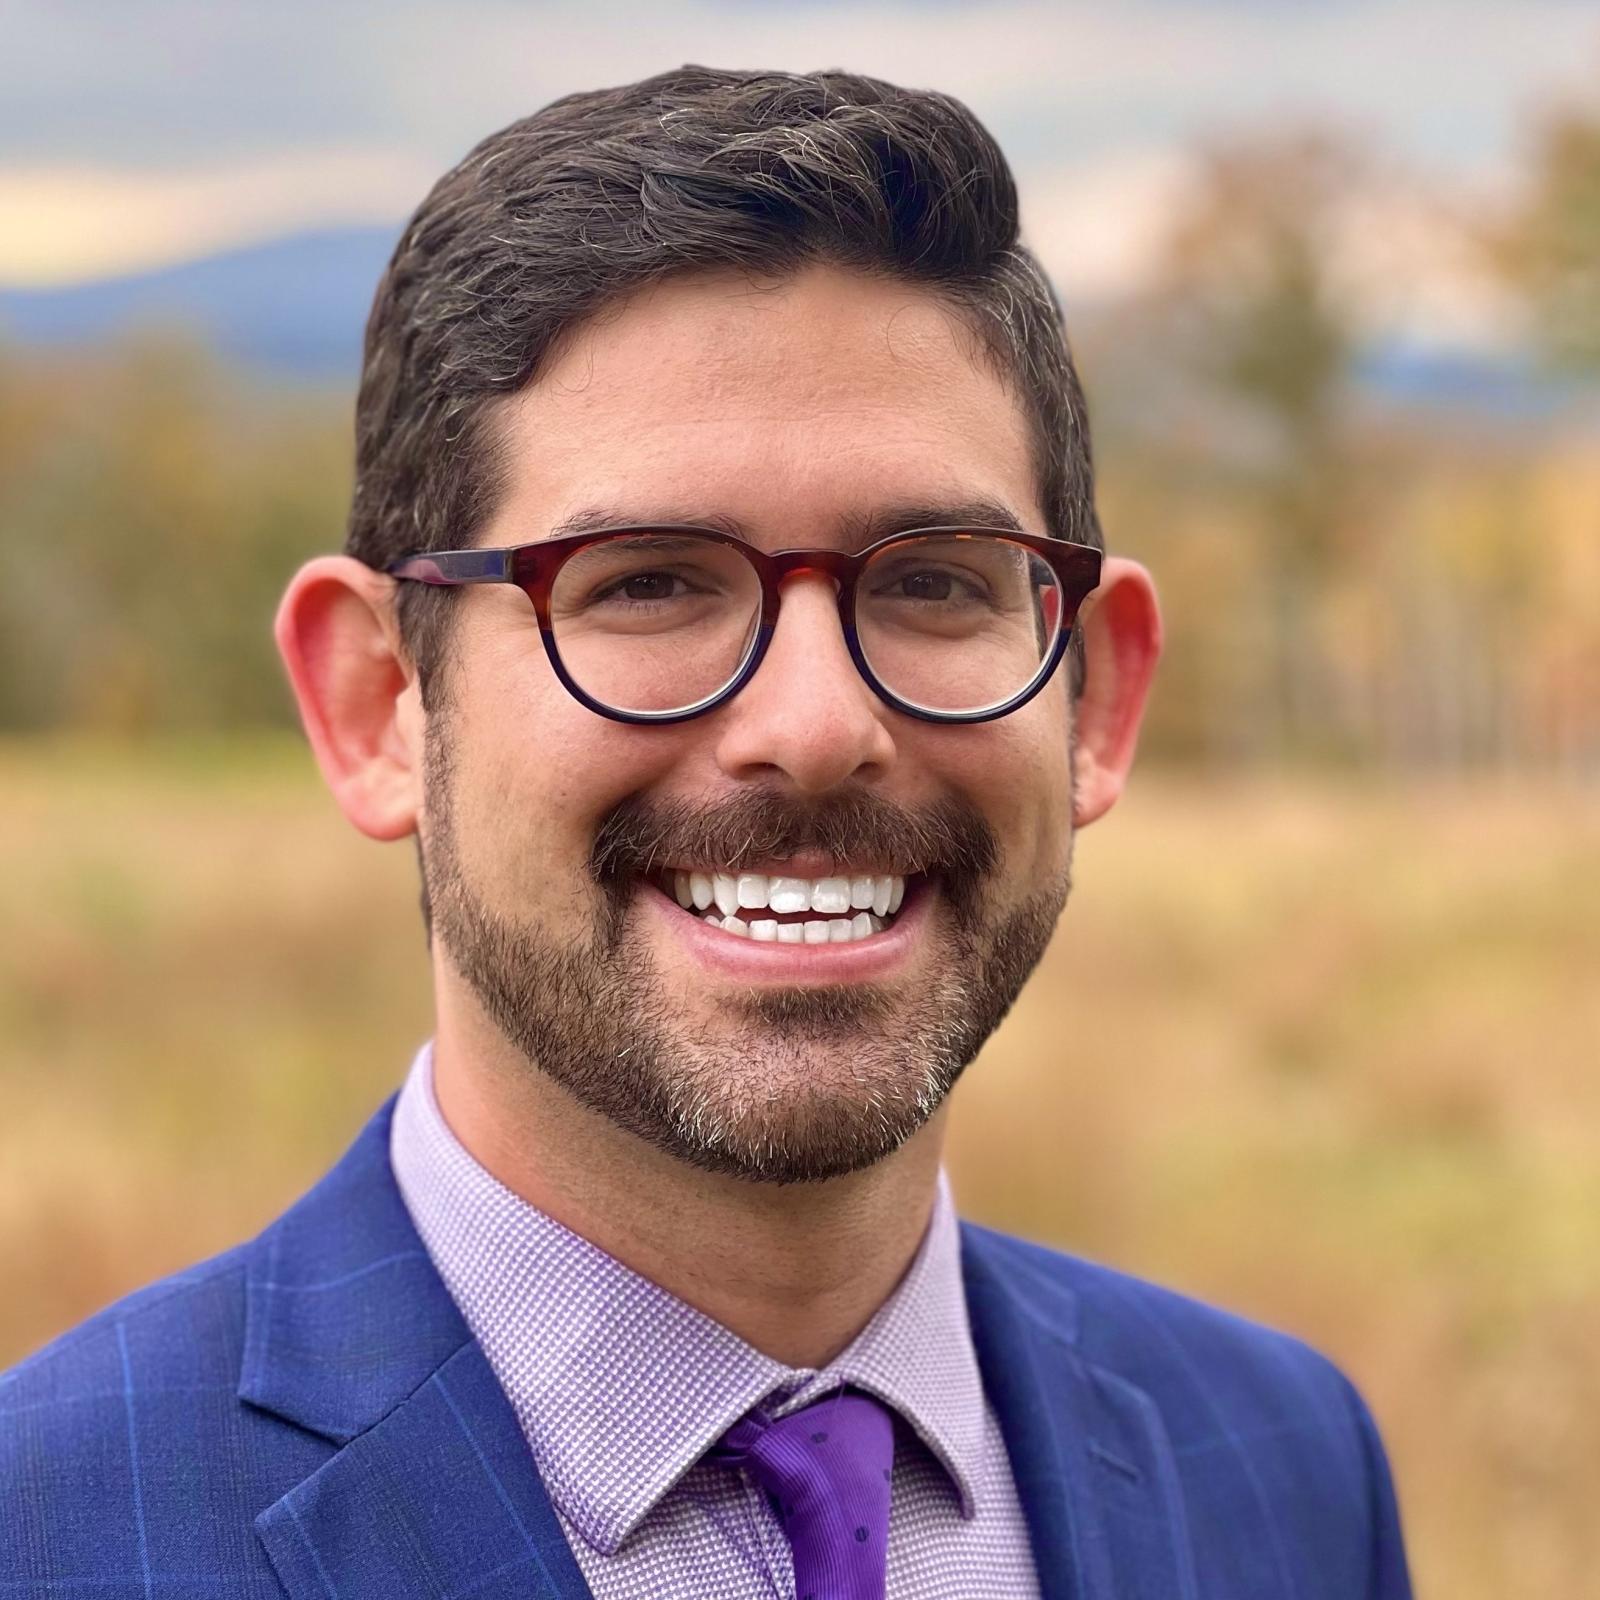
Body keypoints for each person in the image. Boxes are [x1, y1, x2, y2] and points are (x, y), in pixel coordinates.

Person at [0, 66, 1411, 1599]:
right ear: (378, 703)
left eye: (934, 579)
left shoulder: (1285, 1470)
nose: (814, 724)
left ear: (1097, 697)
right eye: (649, 581)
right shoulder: (52, 1532)